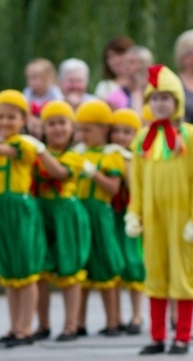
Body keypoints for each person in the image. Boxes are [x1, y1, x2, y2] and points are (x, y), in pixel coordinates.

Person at [0, 90, 68, 348]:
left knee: (26, 268)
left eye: (12, 117)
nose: (6, 122)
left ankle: (26, 328)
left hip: (19, 209)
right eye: (1, 116)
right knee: (9, 270)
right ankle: (13, 327)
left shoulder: (23, 144)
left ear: (23, 120)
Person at [127, 65, 193, 355]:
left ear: (177, 101)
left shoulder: (190, 136)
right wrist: (134, 213)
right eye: (155, 98)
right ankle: (157, 336)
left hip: (181, 219)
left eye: (166, 97)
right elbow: (136, 182)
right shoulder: (142, 139)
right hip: (153, 219)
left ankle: (182, 337)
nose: (160, 103)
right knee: (155, 275)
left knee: (182, 275)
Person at [32, 101, 91, 342]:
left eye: (62, 123)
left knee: (69, 268)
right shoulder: (38, 153)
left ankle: (71, 324)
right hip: (42, 211)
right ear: (44, 128)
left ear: (72, 127)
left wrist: (38, 150)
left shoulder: (75, 155)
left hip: (66, 213)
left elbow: (59, 173)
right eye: (51, 124)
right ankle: (43, 324)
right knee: (42, 271)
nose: (57, 129)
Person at [73, 100, 126, 337]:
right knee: (80, 267)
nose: (82, 135)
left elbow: (114, 187)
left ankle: (113, 321)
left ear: (104, 129)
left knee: (106, 267)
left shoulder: (111, 155)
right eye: (80, 129)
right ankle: (78, 322)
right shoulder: (77, 152)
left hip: (100, 213)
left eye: (88, 130)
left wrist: (93, 173)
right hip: (80, 213)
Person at [109, 108, 145, 335]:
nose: (120, 137)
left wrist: (125, 162)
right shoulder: (107, 153)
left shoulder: (137, 158)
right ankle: (115, 318)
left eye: (126, 132)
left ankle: (137, 315)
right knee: (115, 264)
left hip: (131, 216)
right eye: (116, 132)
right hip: (112, 215)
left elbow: (133, 184)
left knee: (134, 264)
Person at [23, 58, 64, 136]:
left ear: (47, 78)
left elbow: (59, 108)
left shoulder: (54, 92)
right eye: (28, 78)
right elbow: (25, 109)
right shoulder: (28, 92)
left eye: (34, 78)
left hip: (50, 122)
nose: (30, 82)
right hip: (32, 124)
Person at [94, 36, 136, 109]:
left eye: (119, 54)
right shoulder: (105, 86)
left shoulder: (142, 84)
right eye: (110, 57)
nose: (115, 61)